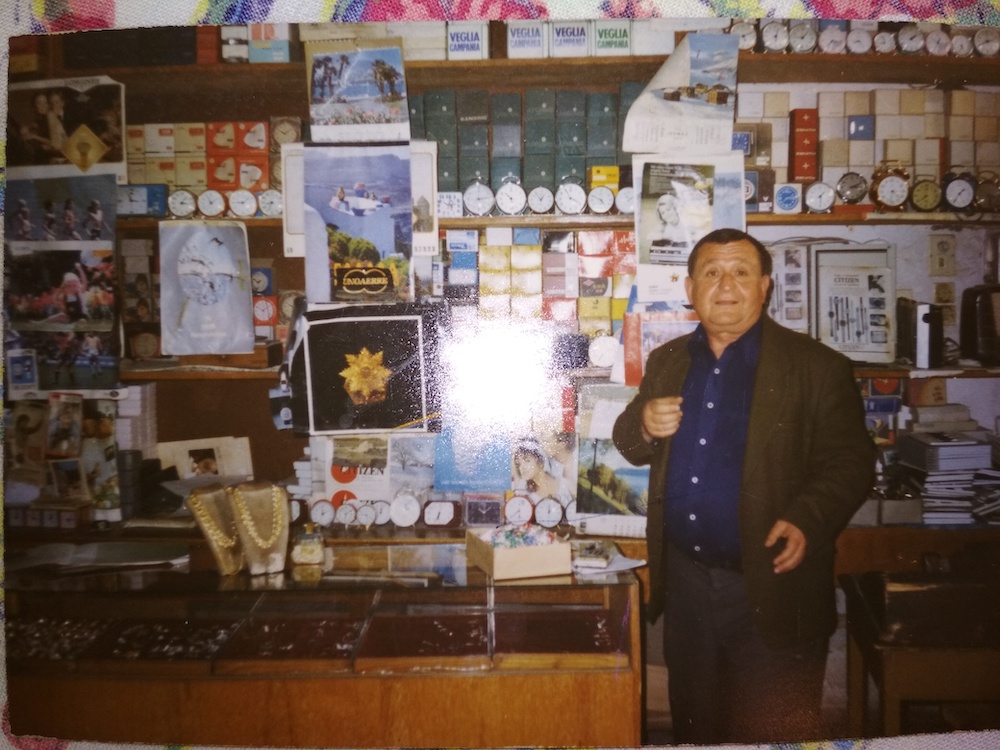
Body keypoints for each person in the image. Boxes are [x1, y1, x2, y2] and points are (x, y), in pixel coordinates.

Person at [612, 228, 875, 744]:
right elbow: (626, 440)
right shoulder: (668, 361)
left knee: (773, 734)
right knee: (697, 728)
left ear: (765, 286)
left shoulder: (817, 367)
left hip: (775, 587)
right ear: (690, 288)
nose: (725, 284)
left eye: (740, 272)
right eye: (711, 273)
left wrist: (808, 517)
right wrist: (643, 421)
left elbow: (852, 463)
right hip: (687, 589)